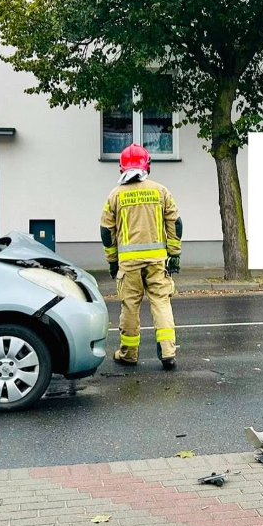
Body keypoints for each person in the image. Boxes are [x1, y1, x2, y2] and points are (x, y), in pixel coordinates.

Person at [100, 144, 183, 369]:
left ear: (121, 168)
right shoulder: (160, 191)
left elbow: (107, 232)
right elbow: (174, 223)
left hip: (129, 264)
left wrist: (112, 260)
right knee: (161, 303)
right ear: (148, 165)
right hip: (157, 262)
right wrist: (174, 253)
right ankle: (167, 351)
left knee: (130, 307)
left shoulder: (115, 195)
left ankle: (128, 354)